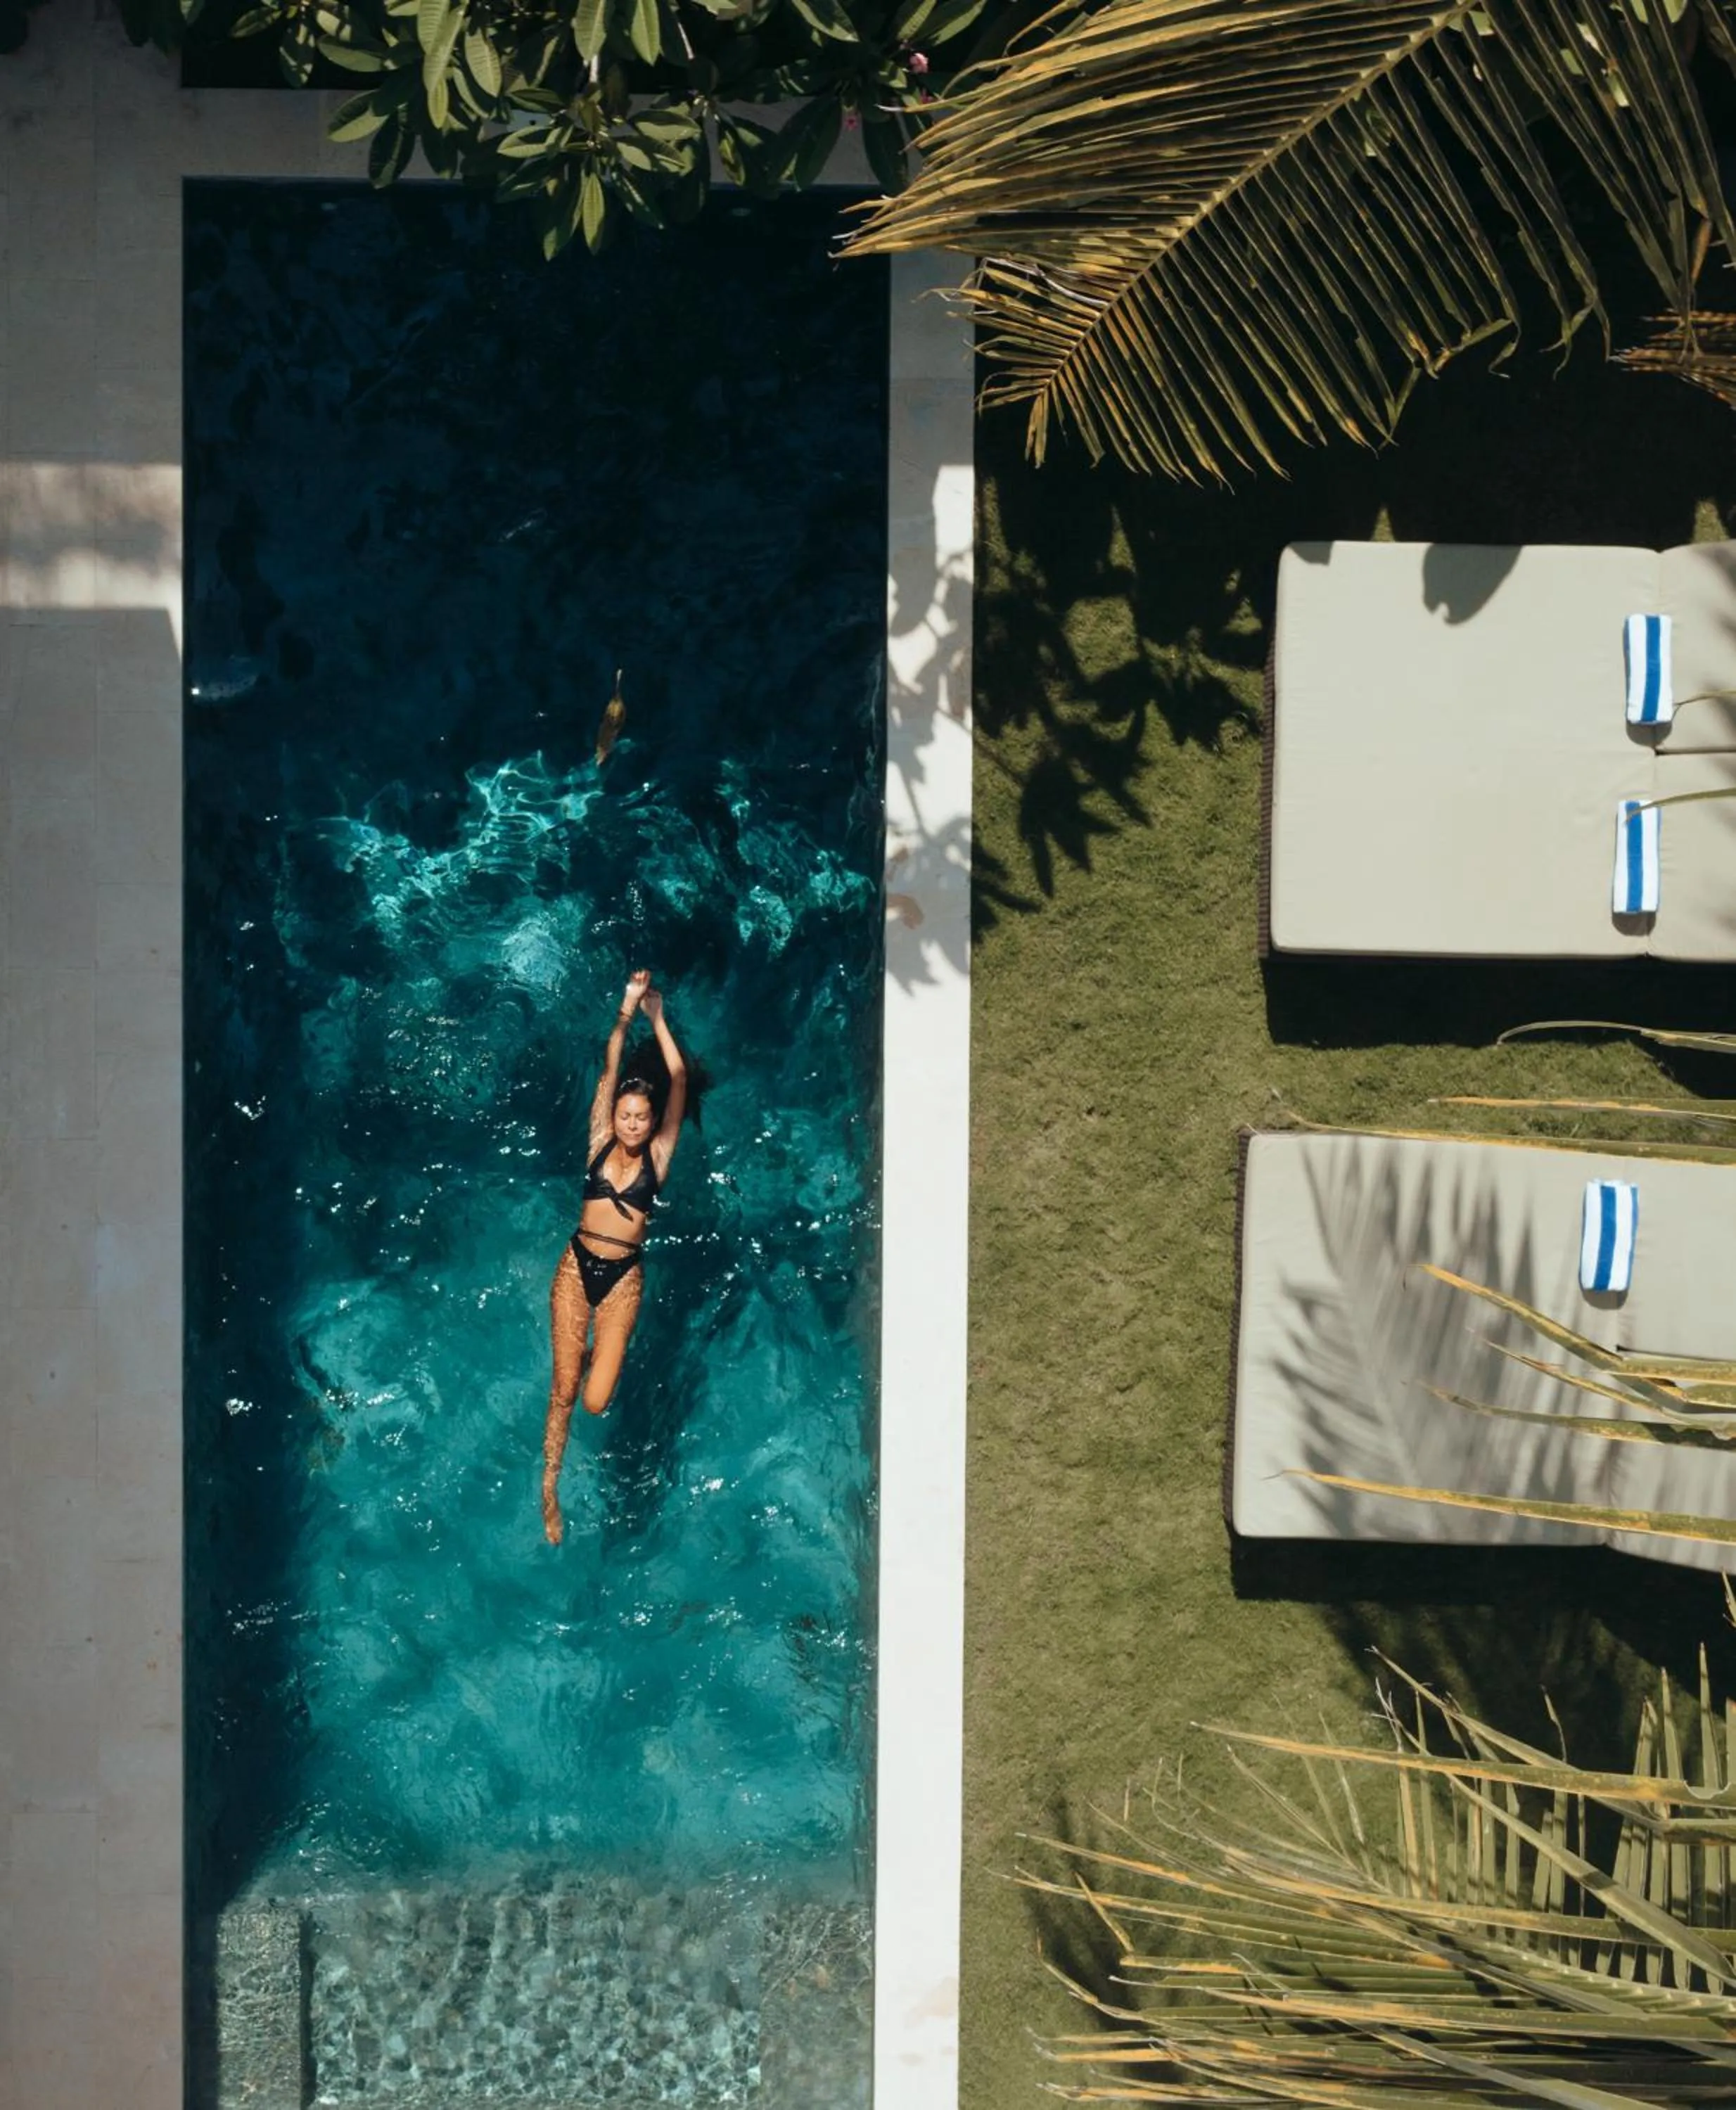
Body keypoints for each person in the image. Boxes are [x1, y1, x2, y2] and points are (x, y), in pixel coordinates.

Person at [542, 969, 687, 1545]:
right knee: (563, 1388)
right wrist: (626, 1012)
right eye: (625, 1115)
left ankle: (603, 1341)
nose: (631, 1123)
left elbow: (675, 1079)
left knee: (596, 1401)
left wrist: (658, 1017)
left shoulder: (659, 1156)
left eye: (640, 1117)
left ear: (651, 1123)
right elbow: (610, 1065)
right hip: (577, 1267)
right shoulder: (600, 1138)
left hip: (623, 1278)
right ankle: (548, 1488)